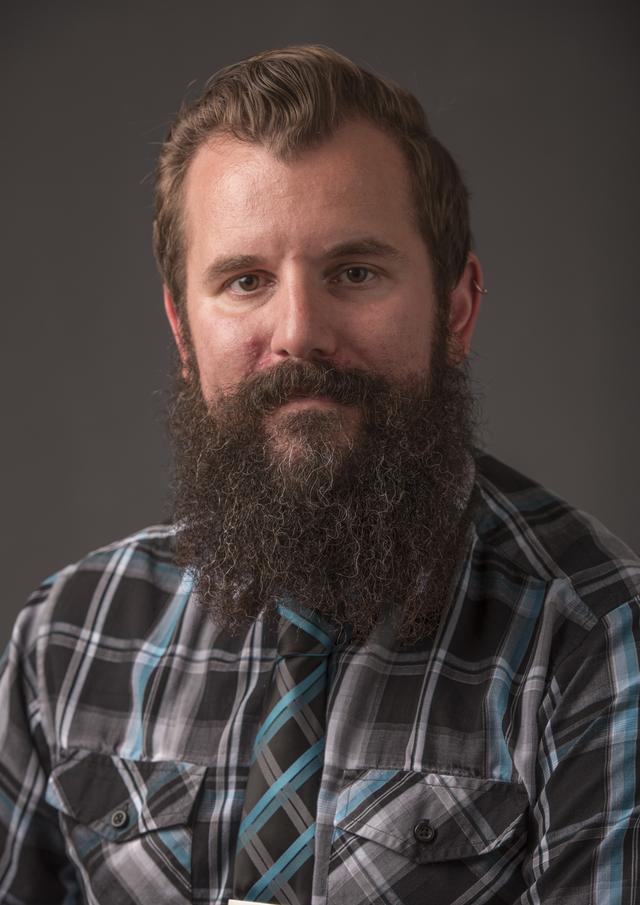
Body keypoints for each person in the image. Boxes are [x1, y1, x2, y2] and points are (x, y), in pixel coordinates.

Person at [0, 44, 638, 905]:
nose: (299, 330)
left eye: (356, 272)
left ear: (457, 310)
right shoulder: (68, 640)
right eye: (246, 280)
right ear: (184, 334)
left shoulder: (599, 643)